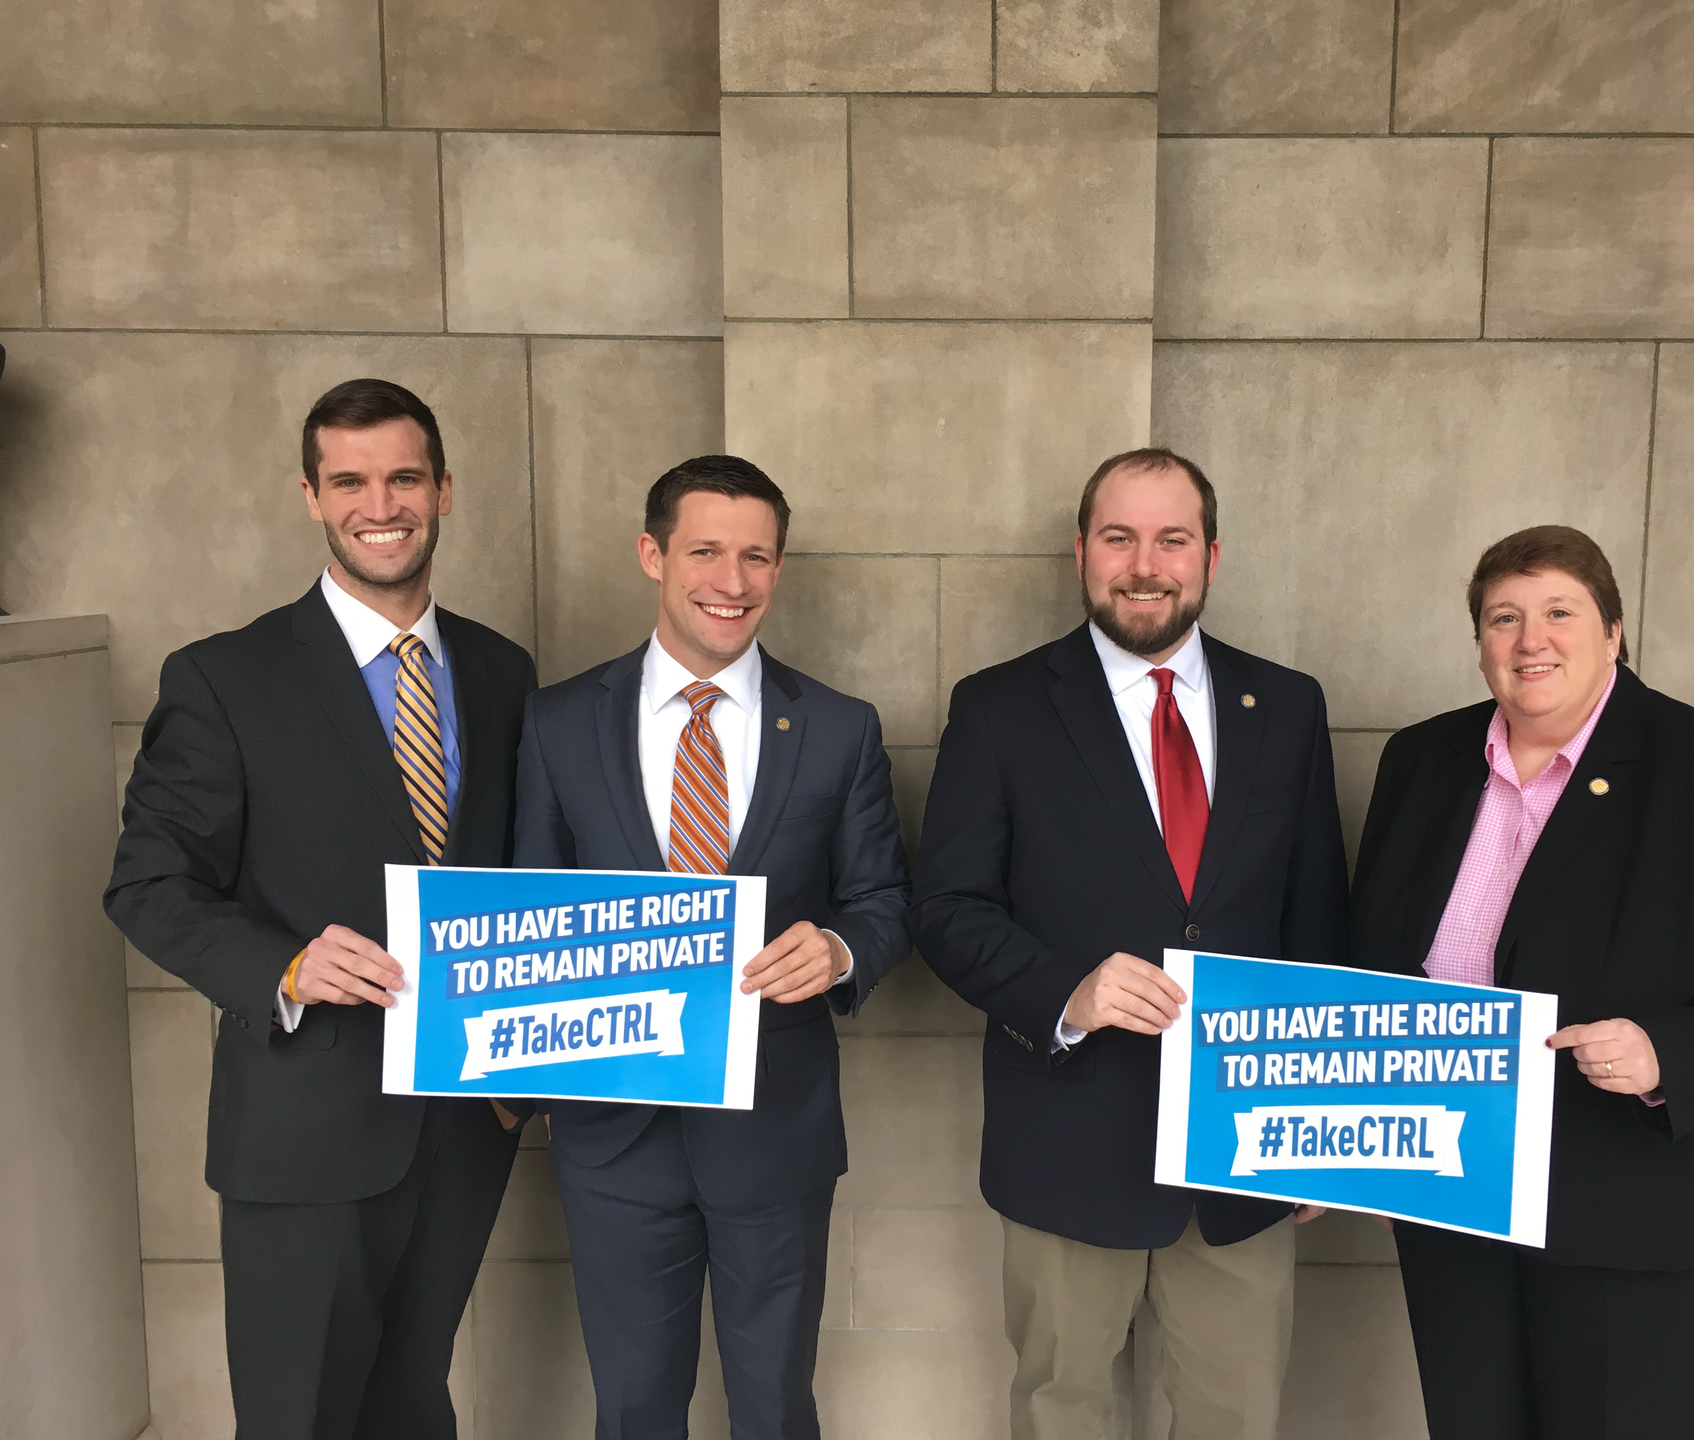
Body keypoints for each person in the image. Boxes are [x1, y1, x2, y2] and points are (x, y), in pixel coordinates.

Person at [1349, 524, 1694, 1440]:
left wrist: (1667, 1052)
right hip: (1457, 1202)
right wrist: (1350, 1146)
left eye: (1559, 611)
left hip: (1651, 1218)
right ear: (1479, 643)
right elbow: (1376, 968)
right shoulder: (1422, 762)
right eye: (1503, 617)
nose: (1529, 639)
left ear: (1614, 631)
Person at [104, 378, 537, 1439]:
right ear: (310, 495)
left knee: (411, 1404)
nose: (376, 504)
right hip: (303, 1126)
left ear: (444, 490)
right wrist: (284, 968)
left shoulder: (500, 671)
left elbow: (527, 871)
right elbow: (148, 885)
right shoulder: (224, 678)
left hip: (466, 1122)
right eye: (348, 480)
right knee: (299, 1416)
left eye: (401, 478)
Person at [910, 448, 1349, 1438]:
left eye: (1171, 539)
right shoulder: (1000, 709)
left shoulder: (1286, 707)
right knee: (1062, 1414)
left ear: (1211, 556)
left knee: (1236, 1418)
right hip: (1068, 1144)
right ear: (1080, 553)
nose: (1144, 564)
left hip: (1247, 1155)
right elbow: (945, 907)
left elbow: (1316, 919)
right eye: (1119, 537)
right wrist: (1067, 989)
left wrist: (1326, 1127)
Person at [512, 454, 911, 1438]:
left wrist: (841, 950)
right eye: (704, 552)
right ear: (652, 555)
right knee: (635, 1406)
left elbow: (884, 900)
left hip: (775, 1133)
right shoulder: (559, 723)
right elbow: (525, 910)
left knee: (775, 1408)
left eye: (757, 557)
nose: (731, 583)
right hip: (613, 1137)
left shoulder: (840, 730)